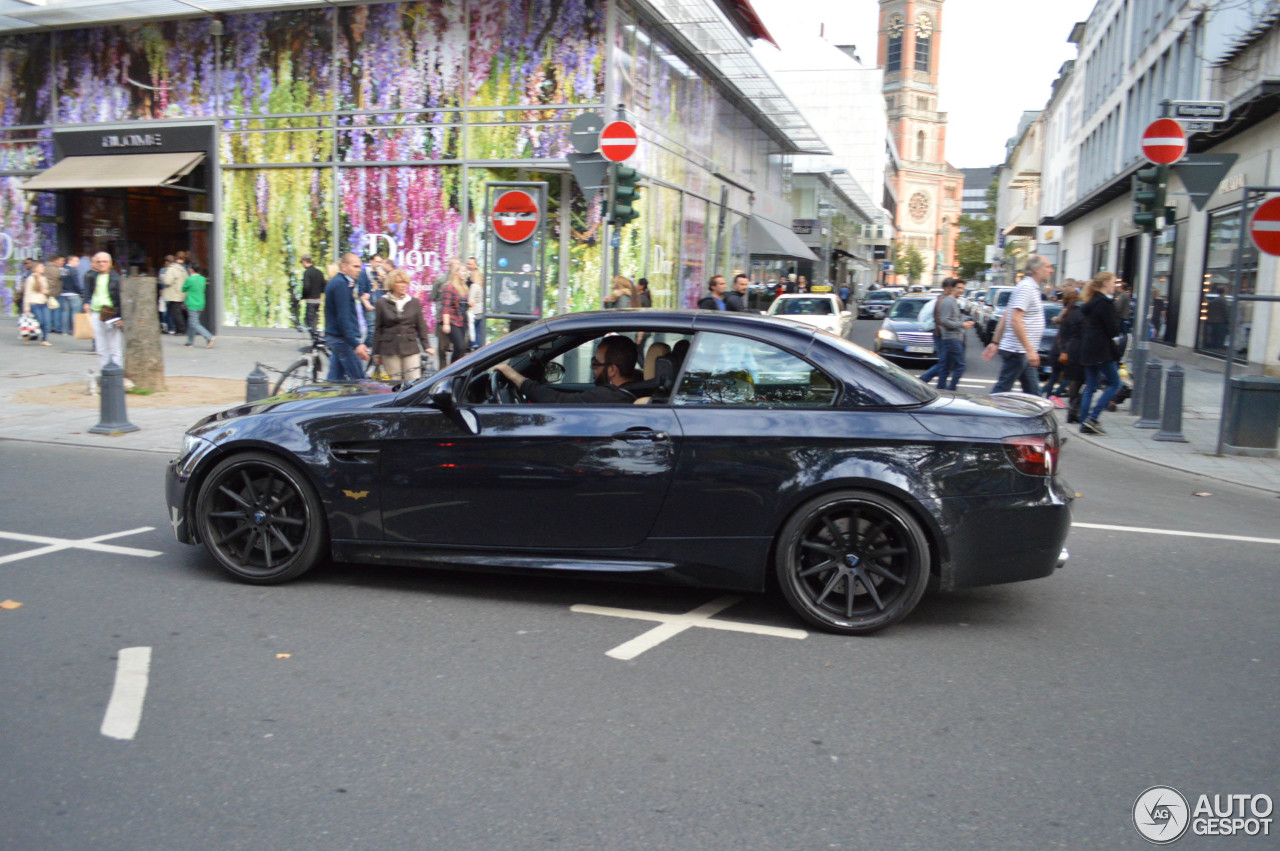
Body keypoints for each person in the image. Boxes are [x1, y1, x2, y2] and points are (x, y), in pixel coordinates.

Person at [493, 335, 647, 403]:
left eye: (596, 363)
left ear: (612, 370)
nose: (592, 368)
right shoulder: (639, 385)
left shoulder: (611, 397)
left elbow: (557, 401)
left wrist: (514, 376)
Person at [984, 254, 1051, 395]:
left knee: (1033, 393)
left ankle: (1036, 416)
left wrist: (995, 342)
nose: (1051, 270)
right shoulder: (1027, 288)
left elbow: (1007, 315)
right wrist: (1030, 350)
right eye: (1047, 267)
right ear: (1037, 269)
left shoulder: (1028, 287)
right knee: (1002, 391)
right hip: (1018, 350)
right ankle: (986, 414)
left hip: (1021, 351)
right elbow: (1015, 320)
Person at [1077, 271, 1122, 435]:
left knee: (1090, 387)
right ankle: (1093, 418)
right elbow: (1112, 330)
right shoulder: (1104, 304)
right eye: (1112, 282)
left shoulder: (1090, 302)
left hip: (1088, 349)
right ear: (1104, 284)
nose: (1114, 285)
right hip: (1102, 350)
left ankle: (1083, 422)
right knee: (1116, 383)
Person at [373, 268, 434, 382]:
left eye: (404, 282)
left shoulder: (413, 302)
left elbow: (421, 325)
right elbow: (378, 329)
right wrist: (376, 353)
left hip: (410, 347)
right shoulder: (382, 303)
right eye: (399, 282)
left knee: (413, 382)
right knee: (393, 383)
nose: (403, 285)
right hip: (389, 349)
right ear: (392, 284)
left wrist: (427, 346)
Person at [324, 253, 370, 380]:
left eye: (359, 267)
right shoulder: (341, 285)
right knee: (360, 382)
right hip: (342, 340)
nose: (359, 270)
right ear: (344, 267)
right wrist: (356, 344)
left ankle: (328, 398)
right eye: (355, 266)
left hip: (337, 338)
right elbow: (343, 318)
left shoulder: (341, 283)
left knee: (334, 380)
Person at [921, 278, 973, 390]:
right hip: (947, 336)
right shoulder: (946, 301)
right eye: (957, 288)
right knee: (956, 365)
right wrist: (961, 324)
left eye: (962, 288)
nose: (960, 291)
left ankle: (940, 388)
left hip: (946, 336)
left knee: (945, 366)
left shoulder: (948, 300)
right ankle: (946, 388)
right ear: (949, 289)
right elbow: (944, 320)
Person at [82, 252, 124, 369]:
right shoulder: (92, 276)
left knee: (114, 344)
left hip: (110, 311)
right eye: (98, 261)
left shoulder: (116, 278)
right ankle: (104, 371)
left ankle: (116, 371)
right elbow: (87, 289)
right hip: (96, 311)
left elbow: (121, 298)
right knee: (101, 346)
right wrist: (86, 302)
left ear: (110, 263)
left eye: (104, 261)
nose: (101, 264)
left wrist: (121, 317)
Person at [438, 265, 470, 366]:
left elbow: (463, 304)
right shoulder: (449, 287)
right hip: (452, 320)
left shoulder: (464, 287)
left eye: (466, 271)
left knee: (462, 348)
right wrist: (446, 323)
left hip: (462, 320)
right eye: (462, 271)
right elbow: (445, 306)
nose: (465, 273)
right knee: (459, 346)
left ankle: (458, 368)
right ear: (456, 272)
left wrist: (470, 303)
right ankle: (452, 369)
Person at [182, 263, 215, 348]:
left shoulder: (189, 280)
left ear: (191, 270)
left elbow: (183, 289)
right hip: (201, 303)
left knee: (194, 323)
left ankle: (209, 337)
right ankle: (190, 342)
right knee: (192, 322)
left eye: (189, 268)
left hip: (192, 304)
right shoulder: (202, 279)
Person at [22, 261, 52, 346]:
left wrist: (46, 291)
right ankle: (28, 334)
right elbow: (27, 293)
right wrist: (26, 307)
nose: (43, 268)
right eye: (41, 267)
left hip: (44, 302)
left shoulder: (43, 278)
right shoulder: (30, 279)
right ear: (35, 268)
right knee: (40, 321)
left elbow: (47, 290)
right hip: (34, 303)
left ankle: (44, 339)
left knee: (47, 321)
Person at [160, 254, 187, 335]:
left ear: (168, 262)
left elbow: (167, 281)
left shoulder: (171, 269)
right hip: (181, 293)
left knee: (176, 313)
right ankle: (179, 329)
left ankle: (181, 329)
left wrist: (164, 279)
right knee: (178, 312)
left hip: (174, 294)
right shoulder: (182, 269)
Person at [56, 255, 82, 334]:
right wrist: (81, 293)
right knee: (75, 312)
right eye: (76, 261)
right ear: (70, 261)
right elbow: (76, 283)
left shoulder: (63, 269)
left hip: (64, 293)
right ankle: (75, 330)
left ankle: (65, 331)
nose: (78, 263)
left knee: (65, 313)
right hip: (73, 293)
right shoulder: (73, 270)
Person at [300, 254, 326, 332]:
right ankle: (316, 338)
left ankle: (314, 338)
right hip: (318, 300)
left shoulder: (307, 273)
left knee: (309, 322)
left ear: (304, 261)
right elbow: (323, 286)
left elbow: (306, 287)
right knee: (315, 320)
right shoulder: (319, 272)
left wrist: (303, 296)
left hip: (310, 300)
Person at [466, 256, 484, 349]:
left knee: (473, 332)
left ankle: (474, 347)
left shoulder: (474, 286)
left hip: (475, 312)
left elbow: (471, 301)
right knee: (478, 332)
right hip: (480, 311)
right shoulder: (480, 286)